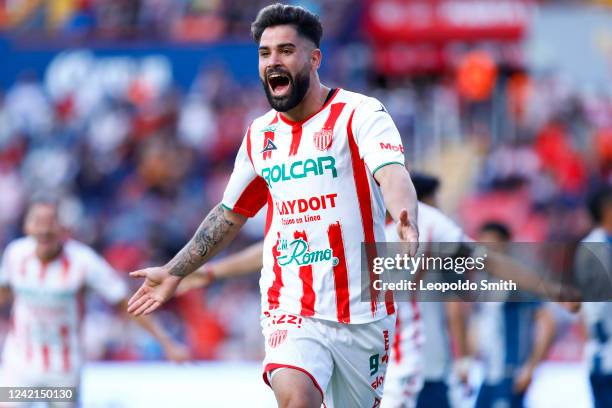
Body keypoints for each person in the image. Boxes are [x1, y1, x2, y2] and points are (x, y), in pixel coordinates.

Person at [127, 4, 420, 408]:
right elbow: (229, 214)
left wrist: (406, 220)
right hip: (290, 306)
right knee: (295, 401)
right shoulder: (260, 135)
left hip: (363, 312)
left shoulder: (360, 113)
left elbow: (392, 174)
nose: (272, 62)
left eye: (285, 50)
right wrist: (177, 270)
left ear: (314, 58)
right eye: (265, 53)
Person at [0, 200, 190, 406]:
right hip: (19, 367)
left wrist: (166, 342)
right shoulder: (15, 255)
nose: (44, 229)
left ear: (62, 227)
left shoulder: (83, 261)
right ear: (26, 226)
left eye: (51, 222)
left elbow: (126, 302)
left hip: (63, 372)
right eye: (38, 222)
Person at [474, 222, 557, 408]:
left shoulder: (519, 281)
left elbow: (547, 322)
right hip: (489, 373)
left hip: (511, 372)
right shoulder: (484, 281)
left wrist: (531, 367)